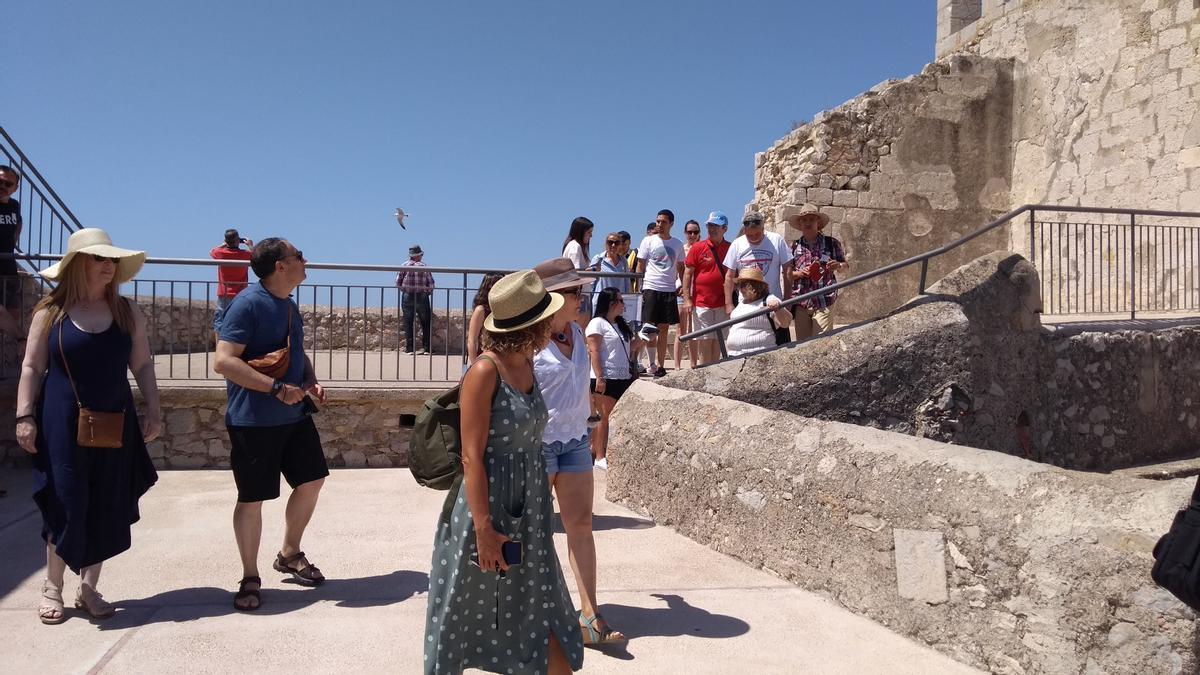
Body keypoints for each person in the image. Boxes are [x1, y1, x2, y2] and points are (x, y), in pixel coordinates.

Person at [424, 270, 584, 674]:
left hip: (528, 510)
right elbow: (471, 457)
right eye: (547, 316)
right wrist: (483, 530)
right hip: (488, 512)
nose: (554, 321)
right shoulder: (484, 371)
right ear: (531, 324)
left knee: (546, 615)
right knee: (466, 618)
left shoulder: (527, 363)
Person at [15, 228, 161, 624]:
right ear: (79, 264)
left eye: (113, 260)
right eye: (100, 259)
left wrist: (154, 409)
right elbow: (32, 367)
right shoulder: (51, 311)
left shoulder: (127, 312)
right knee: (65, 500)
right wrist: (24, 416)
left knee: (105, 500)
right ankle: (53, 587)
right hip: (60, 420)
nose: (109, 267)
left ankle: (88, 588)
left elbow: (142, 364)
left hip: (115, 417)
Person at [214, 238, 329, 611]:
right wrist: (277, 389)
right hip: (253, 420)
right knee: (252, 499)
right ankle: (250, 576)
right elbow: (224, 361)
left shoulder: (289, 304)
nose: (304, 259)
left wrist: (309, 380)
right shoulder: (247, 304)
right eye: (298, 255)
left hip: (293, 416)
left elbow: (294, 350)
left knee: (312, 480)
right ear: (280, 265)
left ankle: (290, 553)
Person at [533, 257, 626, 647]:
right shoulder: (529, 339)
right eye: (574, 292)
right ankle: (534, 613)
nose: (581, 298)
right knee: (533, 535)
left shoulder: (577, 329)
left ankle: (590, 615)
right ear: (552, 296)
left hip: (573, 443)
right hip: (535, 447)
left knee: (581, 528)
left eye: (580, 291)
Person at [586, 287, 637, 471]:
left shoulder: (621, 324)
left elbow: (629, 349)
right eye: (621, 300)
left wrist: (646, 338)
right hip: (605, 376)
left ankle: (598, 451)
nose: (624, 304)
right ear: (611, 303)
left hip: (622, 376)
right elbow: (595, 350)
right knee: (603, 417)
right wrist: (600, 376)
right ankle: (600, 456)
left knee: (612, 417)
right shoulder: (597, 323)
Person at [724, 211, 793, 346]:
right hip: (746, 304)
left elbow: (788, 269)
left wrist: (788, 298)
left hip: (773, 303)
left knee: (781, 345)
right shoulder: (737, 244)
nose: (754, 238)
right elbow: (729, 275)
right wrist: (729, 304)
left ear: (763, 228)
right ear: (744, 231)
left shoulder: (776, 240)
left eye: (758, 234)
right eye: (750, 235)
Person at [636, 210, 685, 377]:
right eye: (657, 221)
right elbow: (640, 265)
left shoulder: (677, 244)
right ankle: (636, 360)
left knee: (664, 328)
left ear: (671, 223)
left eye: (663, 222)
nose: (659, 225)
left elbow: (681, 267)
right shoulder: (648, 241)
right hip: (651, 287)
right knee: (648, 328)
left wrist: (683, 285)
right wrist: (639, 289)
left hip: (669, 289)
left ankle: (660, 365)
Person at [788, 204, 849, 338]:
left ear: (818, 222)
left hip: (824, 299)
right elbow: (788, 275)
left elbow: (845, 267)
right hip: (802, 302)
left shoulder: (831, 243)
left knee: (821, 343)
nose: (807, 223)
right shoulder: (793, 246)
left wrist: (837, 265)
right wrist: (800, 273)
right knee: (802, 346)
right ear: (800, 223)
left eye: (811, 219)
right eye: (804, 220)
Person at [683, 211, 732, 365]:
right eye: (709, 225)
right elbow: (687, 274)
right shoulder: (698, 247)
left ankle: (715, 371)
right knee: (705, 340)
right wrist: (687, 299)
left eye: (715, 226)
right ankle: (705, 371)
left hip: (722, 303)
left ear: (724, 228)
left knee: (718, 341)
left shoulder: (731, 248)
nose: (711, 229)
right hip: (702, 302)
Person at [725, 268, 792, 357]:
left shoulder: (769, 299)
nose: (739, 289)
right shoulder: (742, 302)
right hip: (735, 355)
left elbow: (785, 323)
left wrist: (777, 309)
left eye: (742, 285)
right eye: (738, 285)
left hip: (759, 355)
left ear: (754, 286)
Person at [210, 228, 253, 339]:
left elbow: (212, 251)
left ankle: (219, 349)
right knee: (241, 319)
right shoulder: (245, 255)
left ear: (226, 240)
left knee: (220, 320)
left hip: (224, 293)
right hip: (241, 293)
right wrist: (250, 245)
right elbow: (256, 257)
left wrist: (223, 244)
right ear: (238, 240)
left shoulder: (220, 253)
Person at [0, 166, 26, 340]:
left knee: (14, 311)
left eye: (8, 184)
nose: (3, 186)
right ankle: (22, 339)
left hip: (8, 265)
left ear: (15, 188)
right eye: (0, 181)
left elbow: (18, 228)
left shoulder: (14, 206)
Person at [672, 219, 702, 371]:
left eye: (695, 232)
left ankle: (693, 364)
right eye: (689, 232)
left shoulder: (702, 249)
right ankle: (677, 366)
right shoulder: (680, 250)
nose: (692, 234)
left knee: (694, 330)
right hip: (681, 292)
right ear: (685, 233)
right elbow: (676, 271)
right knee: (681, 329)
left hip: (697, 292)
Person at [396, 244, 435, 355]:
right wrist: (427, 292)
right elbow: (431, 283)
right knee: (425, 322)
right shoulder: (423, 266)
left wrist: (404, 290)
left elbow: (398, 281)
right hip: (422, 295)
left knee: (408, 322)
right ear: (418, 255)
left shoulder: (404, 265)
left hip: (407, 295)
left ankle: (409, 348)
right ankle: (427, 348)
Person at [561, 217, 595, 327]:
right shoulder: (575, 247)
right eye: (589, 232)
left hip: (579, 294)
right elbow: (576, 272)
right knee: (581, 329)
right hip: (580, 294)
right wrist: (593, 270)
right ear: (581, 231)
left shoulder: (573, 246)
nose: (591, 236)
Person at [466, 272, 503, 364]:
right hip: (485, 359)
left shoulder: (504, 309)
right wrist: (474, 364)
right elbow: (472, 340)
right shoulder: (481, 310)